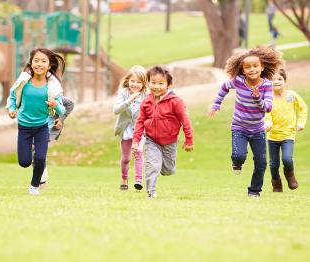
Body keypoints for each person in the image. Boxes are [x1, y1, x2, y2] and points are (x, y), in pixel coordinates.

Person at [208, 46, 284, 197]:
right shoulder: (238, 81)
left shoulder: (267, 85)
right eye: (248, 67)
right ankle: (237, 163)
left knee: (261, 163)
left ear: (262, 67)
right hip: (239, 128)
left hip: (258, 130)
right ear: (242, 70)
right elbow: (224, 87)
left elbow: (267, 108)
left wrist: (257, 99)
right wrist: (216, 104)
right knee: (239, 156)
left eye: (255, 66)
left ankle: (254, 191)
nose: (252, 70)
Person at [7, 47, 66, 195]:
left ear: (50, 65)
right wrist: (11, 109)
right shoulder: (23, 81)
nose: (39, 64)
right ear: (31, 62)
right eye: (36, 60)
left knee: (40, 157)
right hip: (24, 126)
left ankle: (34, 186)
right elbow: (13, 97)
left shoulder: (52, 86)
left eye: (43, 61)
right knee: (24, 162)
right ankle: (32, 173)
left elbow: (62, 110)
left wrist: (56, 105)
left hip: (42, 127)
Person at [132, 66, 194, 198]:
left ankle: (160, 168)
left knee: (168, 170)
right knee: (152, 165)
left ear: (168, 84)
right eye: (153, 83)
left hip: (170, 141)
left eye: (161, 83)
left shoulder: (175, 102)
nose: (156, 86)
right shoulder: (146, 102)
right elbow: (140, 122)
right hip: (151, 140)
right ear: (148, 83)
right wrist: (136, 141)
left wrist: (189, 140)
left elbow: (185, 121)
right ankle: (151, 192)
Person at [264, 68, 307, 192]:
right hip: (272, 136)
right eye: (273, 79)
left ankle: (290, 175)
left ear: (285, 81)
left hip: (288, 134)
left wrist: (301, 123)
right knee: (273, 164)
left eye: (279, 79)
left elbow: (303, 108)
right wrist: (267, 122)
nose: (276, 82)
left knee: (287, 159)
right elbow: (266, 113)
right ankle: (276, 184)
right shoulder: (268, 98)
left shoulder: (291, 95)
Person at [113, 65, 147, 191]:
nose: (135, 84)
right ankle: (124, 178)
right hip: (126, 129)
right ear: (128, 80)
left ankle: (138, 180)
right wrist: (129, 100)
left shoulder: (146, 96)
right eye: (133, 81)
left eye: (139, 82)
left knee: (138, 152)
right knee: (126, 159)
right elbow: (116, 110)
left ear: (143, 84)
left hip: (140, 131)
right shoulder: (123, 93)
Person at [39, 95, 75, 186]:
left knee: (38, 149)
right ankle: (41, 177)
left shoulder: (52, 94)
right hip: (34, 125)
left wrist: (61, 119)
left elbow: (70, 103)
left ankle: (41, 179)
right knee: (34, 151)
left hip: (50, 126)